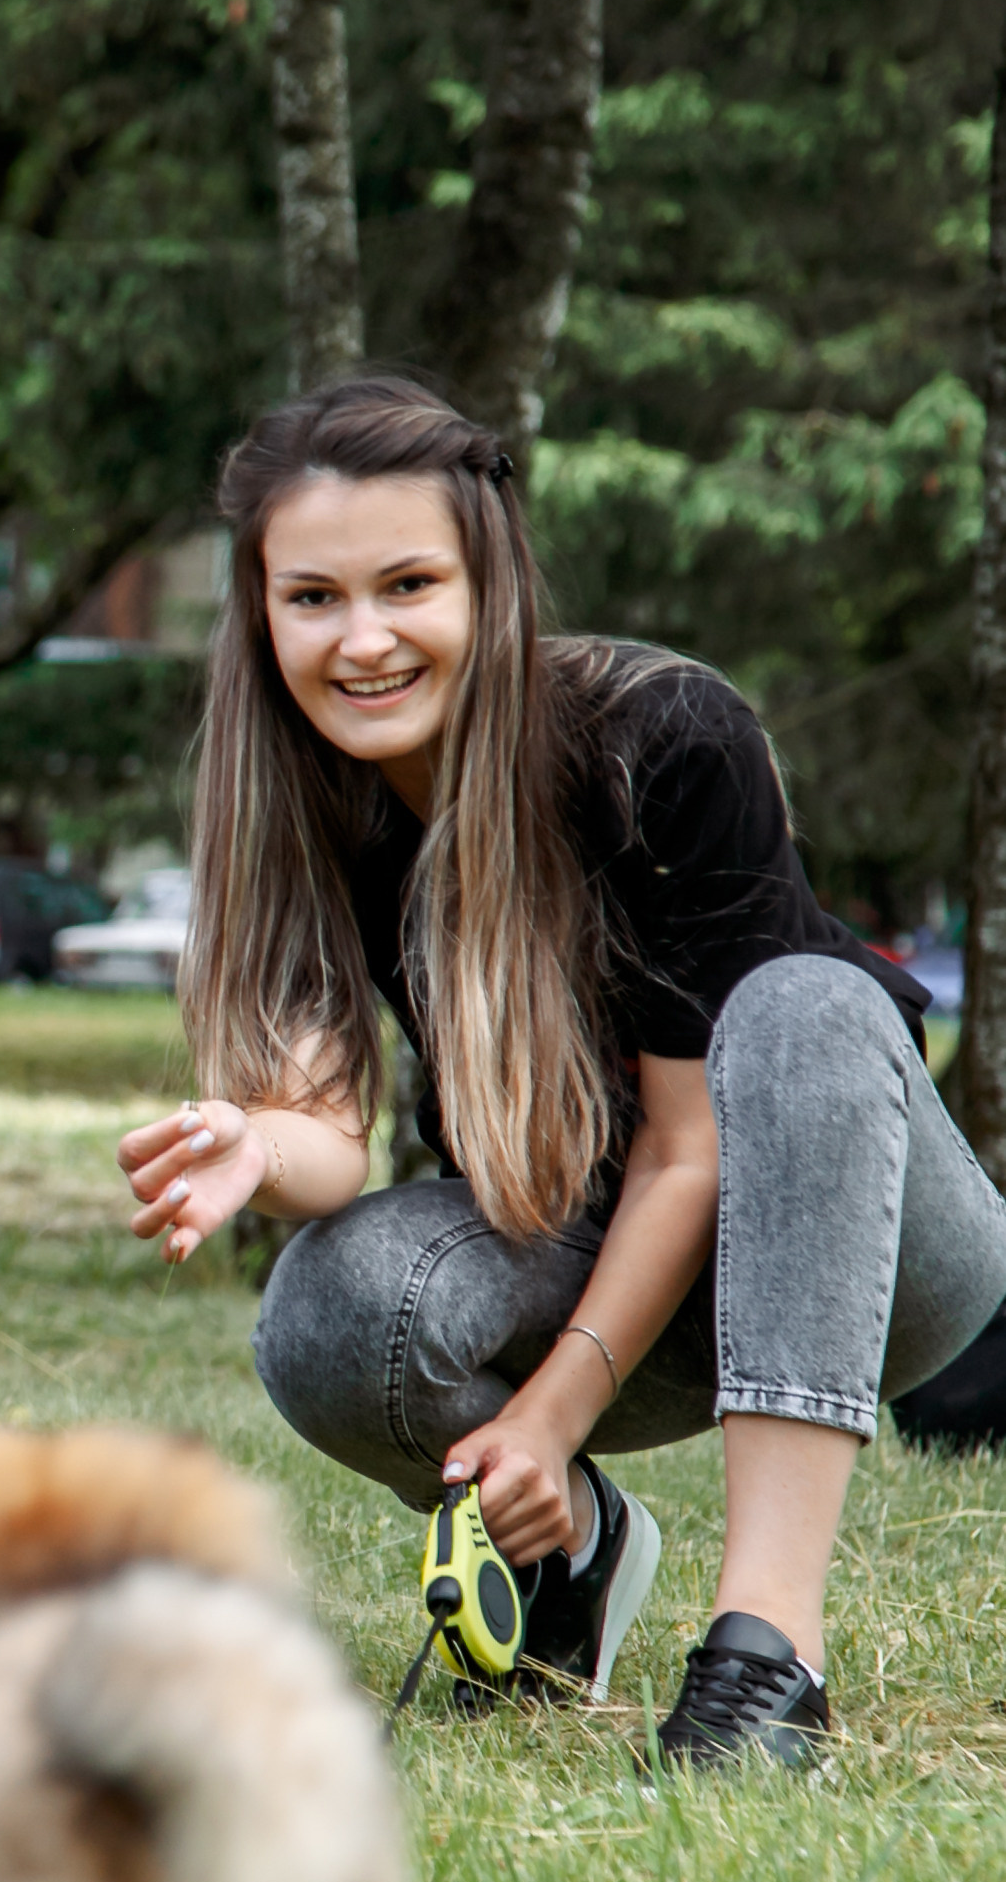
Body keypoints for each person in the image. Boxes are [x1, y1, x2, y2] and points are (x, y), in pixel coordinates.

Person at [117, 372, 1006, 1768]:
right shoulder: (297, 800)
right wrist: (252, 1139)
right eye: (312, 598)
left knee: (804, 1007)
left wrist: (553, 1406)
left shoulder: (662, 739)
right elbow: (330, 1136)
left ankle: (765, 1655)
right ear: (258, 610)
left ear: (491, 584)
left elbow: (685, 1147)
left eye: (407, 583)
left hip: (870, 1246)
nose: (362, 640)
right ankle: (574, 1558)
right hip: (602, 1255)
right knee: (333, 1308)